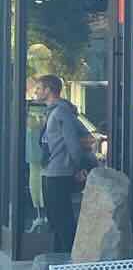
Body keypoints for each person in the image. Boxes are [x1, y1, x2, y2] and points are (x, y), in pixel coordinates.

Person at [34, 73, 93, 255]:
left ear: (49, 90)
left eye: (39, 89)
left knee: (63, 219)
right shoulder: (52, 112)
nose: (35, 92)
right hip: (50, 171)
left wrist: (79, 167)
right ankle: (59, 258)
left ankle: (69, 259)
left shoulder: (61, 113)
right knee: (54, 218)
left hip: (59, 173)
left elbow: (73, 144)